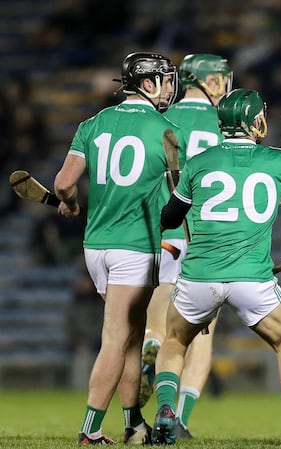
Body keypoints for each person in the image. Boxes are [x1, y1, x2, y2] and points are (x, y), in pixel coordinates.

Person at [152, 88, 281, 445]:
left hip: (200, 276)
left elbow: (169, 217)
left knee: (174, 341)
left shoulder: (200, 162)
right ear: (254, 121)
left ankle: (166, 410)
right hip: (253, 279)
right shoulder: (277, 161)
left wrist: (181, 190)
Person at [53, 51, 178, 445]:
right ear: (147, 84)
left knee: (133, 334)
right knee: (116, 337)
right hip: (136, 247)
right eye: (165, 79)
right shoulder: (167, 131)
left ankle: (133, 423)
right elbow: (181, 196)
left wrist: (71, 204)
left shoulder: (93, 123)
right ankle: (90, 430)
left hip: (96, 248)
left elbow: (62, 184)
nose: (171, 87)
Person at [138, 53, 233, 440]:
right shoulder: (227, 120)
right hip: (211, 234)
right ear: (213, 81)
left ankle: (152, 343)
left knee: (163, 304)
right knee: (203, 329)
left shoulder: (164, 116)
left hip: (169, 226)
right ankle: (180, 417)